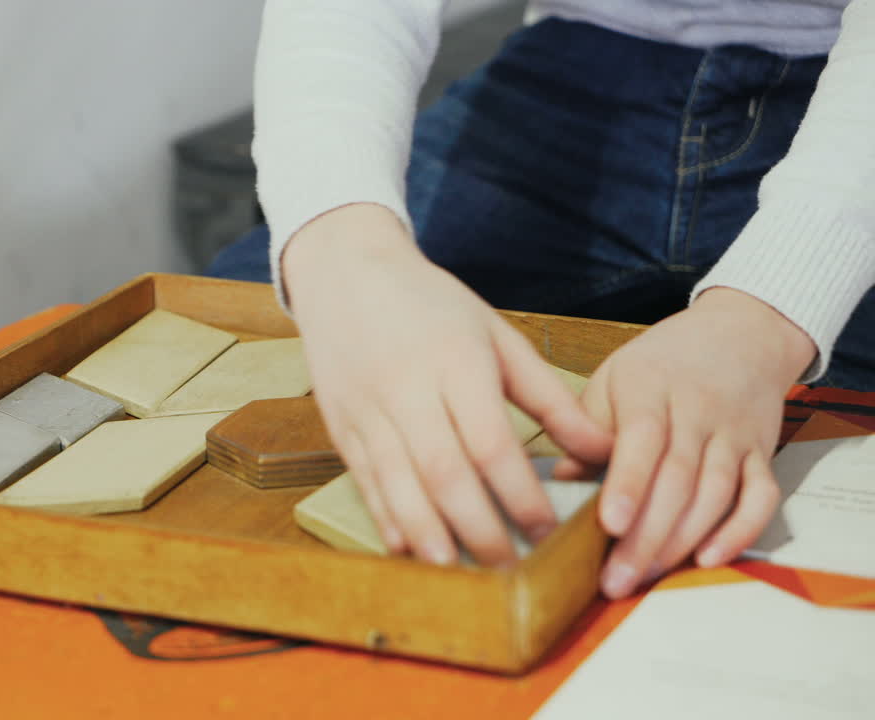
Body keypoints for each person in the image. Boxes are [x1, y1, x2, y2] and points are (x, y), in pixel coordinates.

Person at [206, 0, 875, 599]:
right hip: (576, 65)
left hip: (848, 102)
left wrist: (765, 317)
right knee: (222, 328)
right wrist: (344, 248)